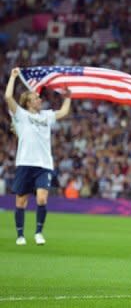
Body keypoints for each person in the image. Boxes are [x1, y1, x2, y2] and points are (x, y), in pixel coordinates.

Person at [4, 67, 71, 246]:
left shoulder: (47, 116)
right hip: (25, 163)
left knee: (42, 199)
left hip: (44, 165)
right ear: (28, 103)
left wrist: (68, 97)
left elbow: (64, 112)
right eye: (36, 98)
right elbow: (8, 97)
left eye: (39, 98)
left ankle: (39, 232)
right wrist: (13, 77)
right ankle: (20, 235)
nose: (39, 100)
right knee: (21, 201)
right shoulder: (21, 115)